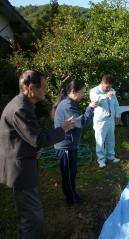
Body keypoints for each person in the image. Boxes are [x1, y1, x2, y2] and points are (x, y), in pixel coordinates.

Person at [0, 70, 75, 239]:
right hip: (20, 170)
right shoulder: (21, 108)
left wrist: (33, 149)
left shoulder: (22, 104)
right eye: (44, 87)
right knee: (32, 216)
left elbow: (21, 137)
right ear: (31, 88)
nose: (46, 91)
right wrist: (62, 129)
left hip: (20, 163)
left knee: (26, 214)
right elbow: (38, 139)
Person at [54, 80, 98, 205]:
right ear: (73, 92)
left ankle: (73, 195)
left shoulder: (70, 103)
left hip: (69, 145)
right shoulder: (67, 105)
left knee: (71, 173)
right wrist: (90, 108)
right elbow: (82, 122)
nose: (83, 94)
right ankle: (71, 199)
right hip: (65, 146)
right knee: (68, 175)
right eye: (82, 92)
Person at [90, 74, 121, 168]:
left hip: (110, 120)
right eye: (107, 86)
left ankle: (111, 157)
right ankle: (101, 160)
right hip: (100, 121)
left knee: (111, 140)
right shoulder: (94, 90)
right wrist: (105, 96)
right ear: (102, 83)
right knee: (100, 141)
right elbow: (95, 100)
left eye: (110, 86)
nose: (109, 88)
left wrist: (117, 115)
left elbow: (116, 104)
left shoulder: (111, 90)